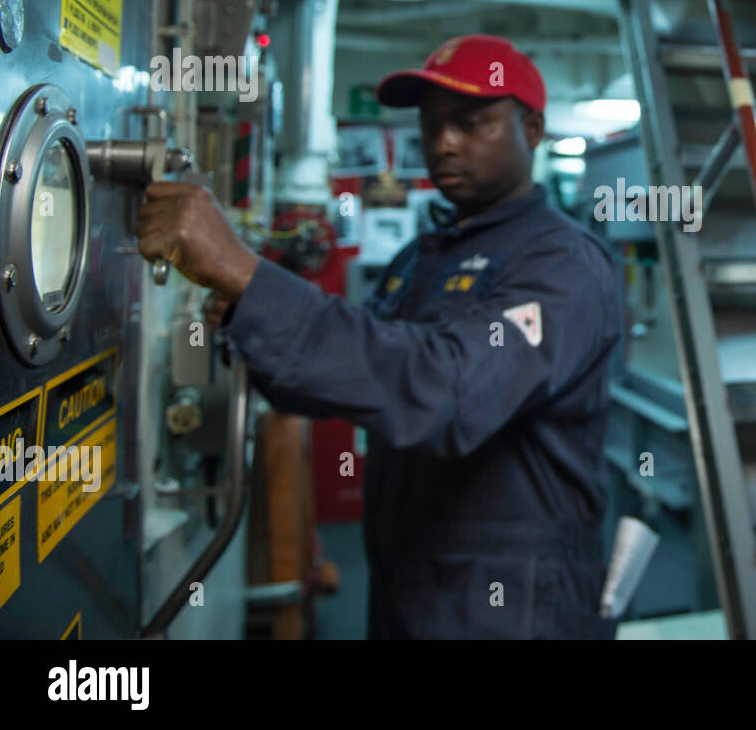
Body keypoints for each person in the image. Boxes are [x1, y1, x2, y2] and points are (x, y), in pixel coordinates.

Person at [138, 34, 622, 639]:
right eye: (432, 125)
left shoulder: (562, 266)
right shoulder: (422, 259)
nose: (444, 143)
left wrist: (250, 276)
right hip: (412, 575)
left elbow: (446, 392)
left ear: (530, 130)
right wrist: (248, 314)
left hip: (510, 602)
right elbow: (340, 388)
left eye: (471, 123)